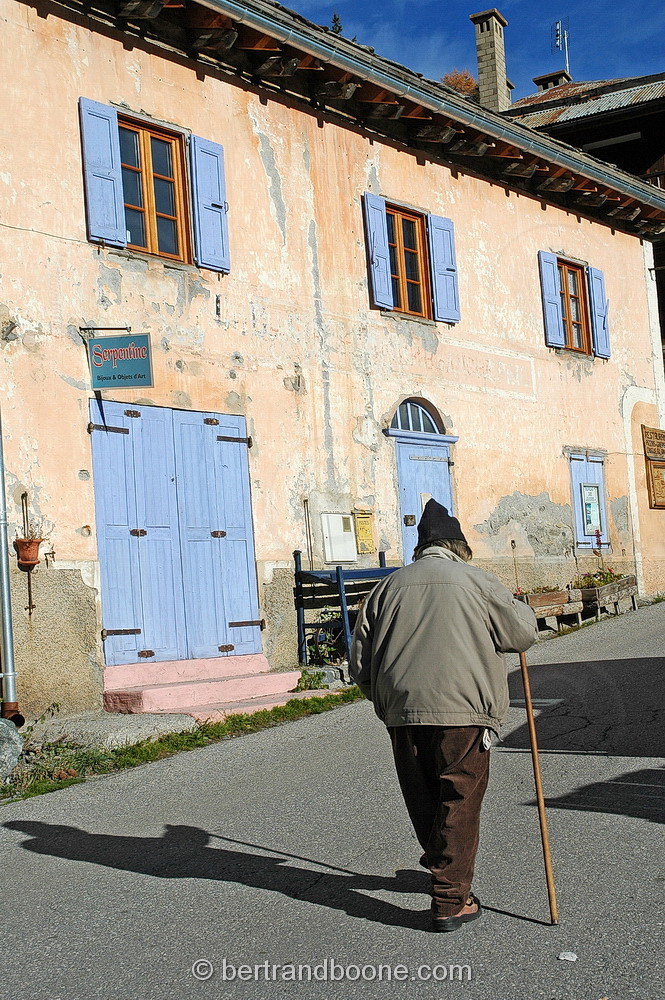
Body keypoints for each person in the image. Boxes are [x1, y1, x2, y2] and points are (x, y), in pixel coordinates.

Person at [349, 499, 538, 932]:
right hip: (465, 712)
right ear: (459, 547)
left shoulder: (387, 587)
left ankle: (442, 865)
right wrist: (520, 607)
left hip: (403, 712)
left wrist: (386, 700)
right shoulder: (478, 582)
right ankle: (451, 900)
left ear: (422, 548)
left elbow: (359, 666)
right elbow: (522, 635)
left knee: (424, 797)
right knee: (459, 800)